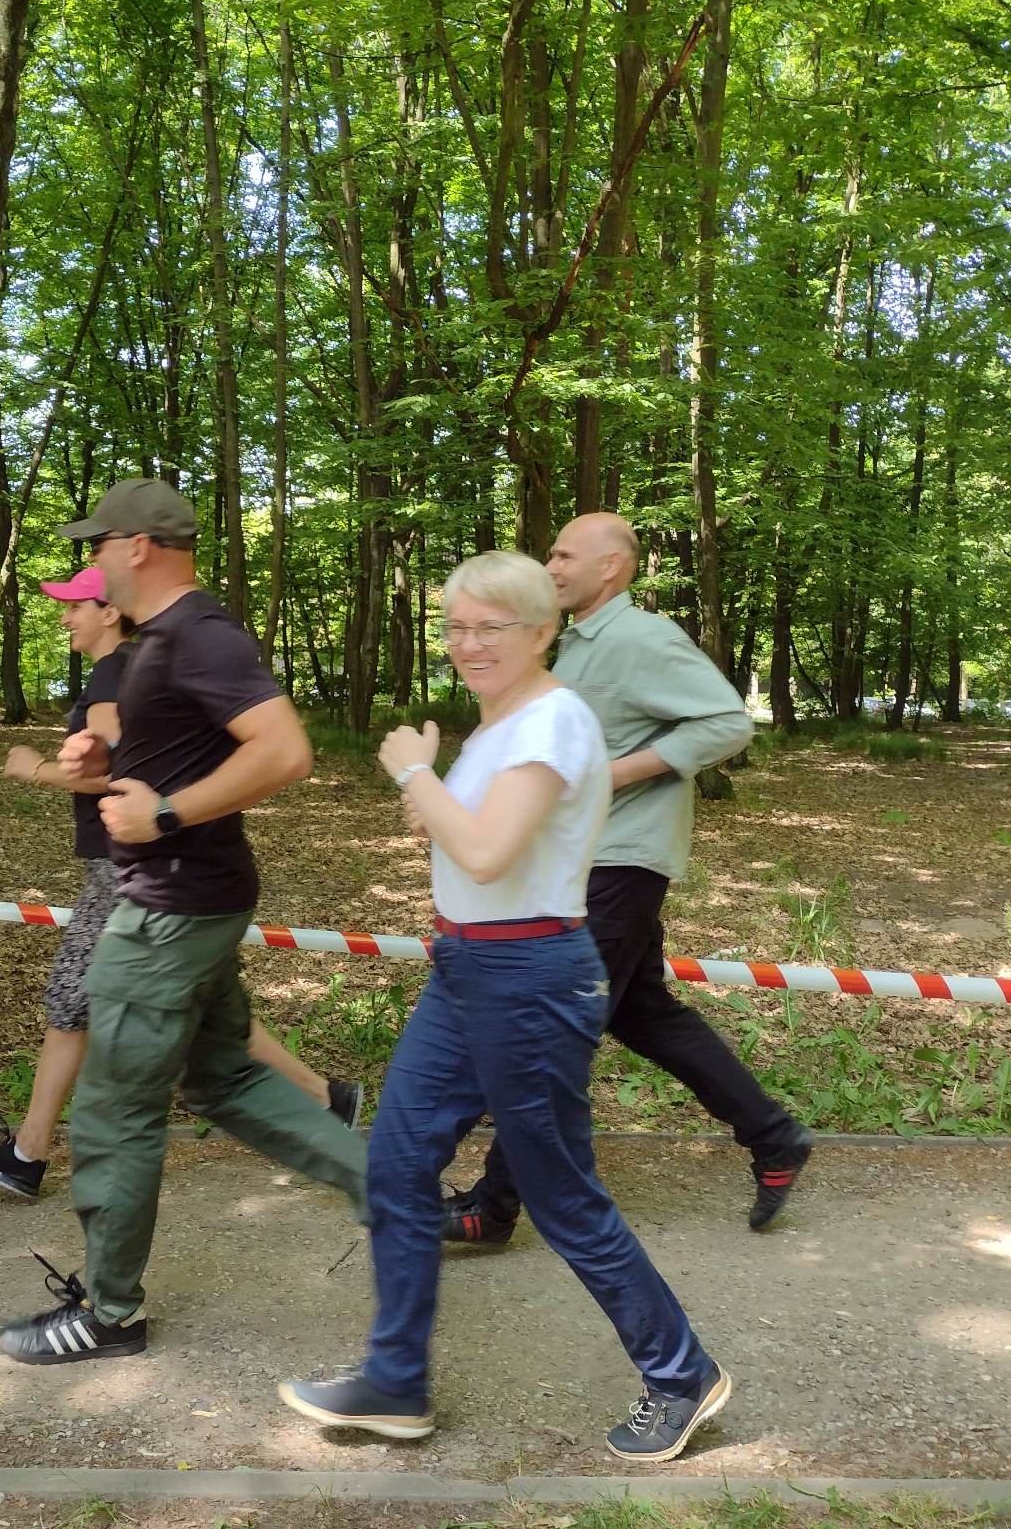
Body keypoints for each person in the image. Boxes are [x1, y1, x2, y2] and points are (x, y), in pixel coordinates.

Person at [280, 550, 731, 1463]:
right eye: (456, 627)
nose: (469, 644)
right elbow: (479, 839)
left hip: (529, 977)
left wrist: (414, 773)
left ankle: (681, 1374)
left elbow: (487, 853)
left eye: (492, 627)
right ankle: (395, 1382)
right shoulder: (502, 723)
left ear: (543, 631)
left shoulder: (554, 720)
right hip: (467, 968)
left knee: (560, 1194)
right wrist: (435, 799)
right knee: (398, 1165)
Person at [0, 478, 367, 1366]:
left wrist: (164, 816)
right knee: (224, 1079)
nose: (91, 561)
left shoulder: (201, 632)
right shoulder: (160, 641)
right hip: (190, 899)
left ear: (138, 547)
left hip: (166, 909)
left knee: (114, 1111)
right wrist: (100, 754)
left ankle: (110, 1314)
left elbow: (286, 751)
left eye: (98, 543)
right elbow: (177, 750)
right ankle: (399, 1193)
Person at [444, 513, 812, 1242]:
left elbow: (726, 722)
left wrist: (606, 775)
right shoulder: (574, 642)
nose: (550, 566)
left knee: (552, 1030)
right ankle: (775, 1137)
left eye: (564, 555)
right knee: (643, 1013)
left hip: (620, 861)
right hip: (584, 859)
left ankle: (494, 1205)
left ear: (612, 566)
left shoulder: (642, 638)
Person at [0, 565, 361, 1199]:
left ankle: (30, 1152)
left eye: (76, 605)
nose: (65, 616)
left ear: (109, 610)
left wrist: (36, 769)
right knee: (203, 1010)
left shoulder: (116, 673)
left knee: (70, 1001)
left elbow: (125, 772)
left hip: (127, 872)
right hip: (144, 869)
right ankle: (326, 1097)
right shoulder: (130, 668)